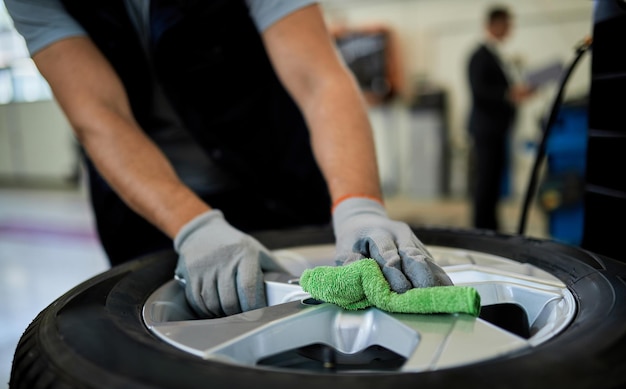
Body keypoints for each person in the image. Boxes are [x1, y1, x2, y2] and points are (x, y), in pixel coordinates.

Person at [5, 0, 452, 318]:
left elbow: (320, 79)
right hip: (150, 204)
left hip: (277, 178)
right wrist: (194, 227)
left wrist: (359, 205)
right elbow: (100, 116)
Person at [467, 5, 534, 231]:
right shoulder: (479, 56)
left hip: (498, 129)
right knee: (486, 181)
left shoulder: (497, 56)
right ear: (494, 24)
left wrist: (516, 93)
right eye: (506, 23)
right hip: (486, 130)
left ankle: (491, 226)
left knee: (495, 181)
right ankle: (482, 228)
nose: (509, 28)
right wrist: (509, 93)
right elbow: (480, 91)